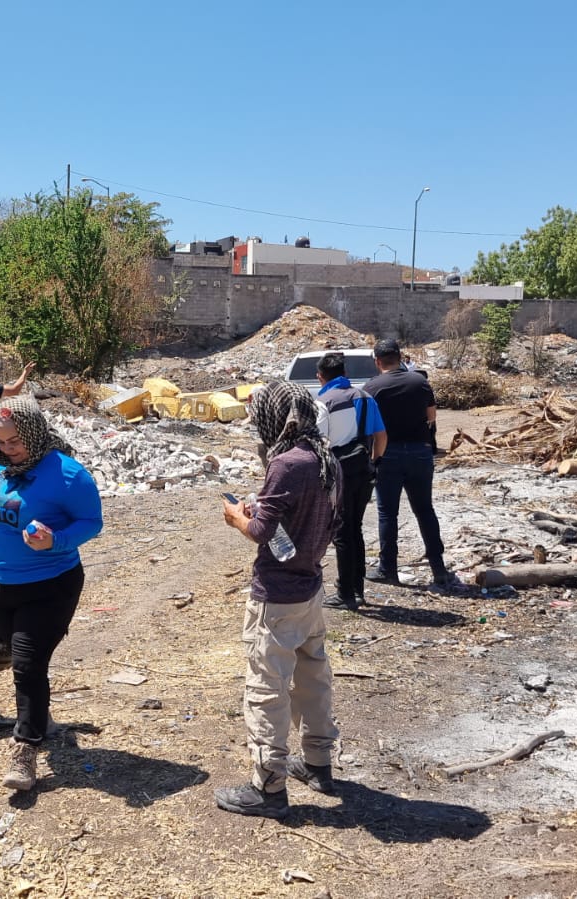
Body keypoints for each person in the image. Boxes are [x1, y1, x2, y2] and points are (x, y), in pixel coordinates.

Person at [0, 395, 102, 792]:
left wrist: (56, 540)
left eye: (15, 441)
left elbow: (92, 522)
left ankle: (26, 746)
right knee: (23, 660)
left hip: (51, 585)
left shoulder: (68, 474)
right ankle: (40, 715)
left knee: (27, 665)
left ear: (33, 432)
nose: (7, 449)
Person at [215, 379, 341, 820]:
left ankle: (268, 786)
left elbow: (260, 533)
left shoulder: (286, 463)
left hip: (277, 595)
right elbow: (326, 523)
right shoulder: (326, 459)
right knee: (313, 675)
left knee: (267, 686)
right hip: (310, 586)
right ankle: (318, 763)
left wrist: (237, 518)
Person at [362, 339, 453, 587]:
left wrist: (373, 459)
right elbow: (431, 417)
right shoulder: (420, 382)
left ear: (377, 361)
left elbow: (368, 428)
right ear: (400, 357)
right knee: (424, 510)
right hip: (420, 453)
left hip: (387, 454)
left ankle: (388, 569)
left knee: (387, 513)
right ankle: (439, 569)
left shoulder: (372, 387)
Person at [315, 351, 387, 611]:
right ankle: (357, 590)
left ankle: (346, 594)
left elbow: (320, 443)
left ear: (320, 377)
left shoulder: (324, 401)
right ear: (344, 373)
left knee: (342, 533)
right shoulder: (365, 397)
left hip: (339, 473)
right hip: (364, 470)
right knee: (355, 529)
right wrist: (375, 463)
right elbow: (381, 436)